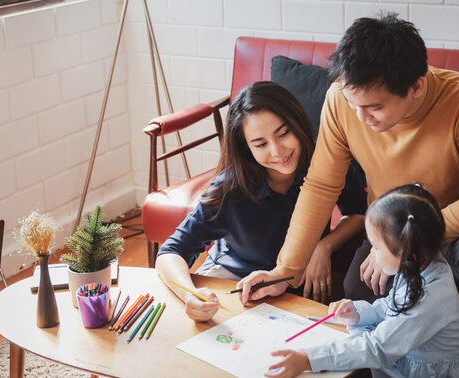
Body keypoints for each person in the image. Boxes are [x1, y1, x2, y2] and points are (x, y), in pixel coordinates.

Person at [238, 13, 459, 377]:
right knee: (358, 287)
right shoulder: (343, 103)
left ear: (417, 86)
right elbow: (322, 185)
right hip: (390, 226)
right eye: (353, 103)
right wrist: (285, 271)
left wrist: (404, 243)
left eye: (373, 107)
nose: (359, 117)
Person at [156, 81, 367, 321]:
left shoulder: (327, 163)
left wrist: (323, 246)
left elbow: (359, 212)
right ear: (246, 149)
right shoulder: (230, 189)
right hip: (232, 284)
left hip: (293, 286)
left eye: (284, 133)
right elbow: (171, 251)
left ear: (298, 122)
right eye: (260, 144)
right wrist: (190, 295)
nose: (278, 151)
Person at [266, 184, 459, 378]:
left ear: (408, 252)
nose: (372, 253)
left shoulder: (430, 299)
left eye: (377, 248)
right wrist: (358, 313)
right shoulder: (420, 264)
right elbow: (392, 307)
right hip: (406, 357)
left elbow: (377, 347)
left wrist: (307, 360)